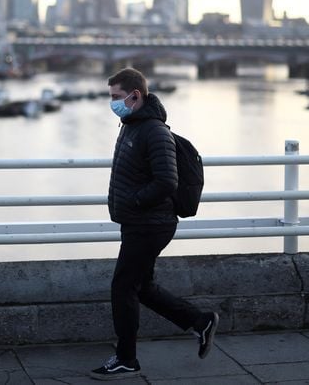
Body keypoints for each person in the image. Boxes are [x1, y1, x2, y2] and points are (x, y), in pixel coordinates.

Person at [90, 67, 219, 381]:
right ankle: (201, 322)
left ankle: (126, 359)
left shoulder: (153, 131)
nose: (113, 103)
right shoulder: (131, 124)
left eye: (117, 97)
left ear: (136, 95)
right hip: (138, 222)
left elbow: (167, 181)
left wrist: (134, 201)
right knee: (141, 286)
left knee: (122, 287)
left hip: (150, 223)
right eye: (111, 97)